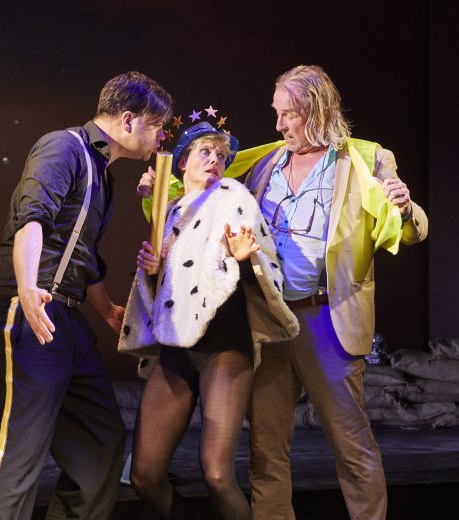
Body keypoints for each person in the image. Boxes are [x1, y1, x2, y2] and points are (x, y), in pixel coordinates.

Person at [233, 65, 429, 519]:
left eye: (289, 114)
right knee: (266, 448)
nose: (279, 125)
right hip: (268, 319)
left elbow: (413, 229)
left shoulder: (365, 160)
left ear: (317, 110)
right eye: (277, 113)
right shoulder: (264, 165)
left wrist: (404, 208)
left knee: (351, 444)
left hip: (326, 318)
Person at [0, 71, 173, 520]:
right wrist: (27, 287)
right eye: (158, 126)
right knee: (18, 451)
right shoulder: (63, 147)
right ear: (129, 120)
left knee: (100, 444)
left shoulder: (104, 174)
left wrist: (107, 310)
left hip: (66, 315)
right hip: (31, 306)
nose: (162, 137)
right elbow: (33, 218)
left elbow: (83, 254)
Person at [120, 122, 299, 519]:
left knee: (217, 475)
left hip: (224, 349)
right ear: (183, 162)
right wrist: (153, 271)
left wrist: (244, 259)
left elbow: (264, 274)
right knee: (144, 476)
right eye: (206, 152)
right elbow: (170, 289)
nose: (215, 161)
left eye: (221, 156)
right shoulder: (172, 212)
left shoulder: (234, 198)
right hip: (177, 350)